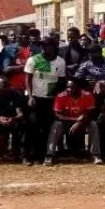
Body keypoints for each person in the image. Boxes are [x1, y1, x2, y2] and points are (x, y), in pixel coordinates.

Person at [24, 37, 67, 165]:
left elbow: (61, 81)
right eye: (42, 45)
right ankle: (27, 155)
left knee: (46, 128)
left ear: (54, 46)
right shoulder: (33, 59)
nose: (44, 47)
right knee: (32, 126)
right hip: (35, 98)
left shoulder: (60, 62)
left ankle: (41, 155)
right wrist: (30, 96)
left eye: (47, 45)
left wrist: (58, 99)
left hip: (50, 99)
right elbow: (28, 79)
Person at [46, 78, 99, 165]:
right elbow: (58, 115)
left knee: (93, 124)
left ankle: (95, 154)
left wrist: (80, 123)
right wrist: (75, 120)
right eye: (68, 87)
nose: (70, 89)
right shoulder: (61, 96)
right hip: (66, 122)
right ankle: (49, 155)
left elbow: (91, 113)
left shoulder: (87, 95)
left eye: (73, 87)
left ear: (79, 87)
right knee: (56, 125)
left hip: (83, 122)